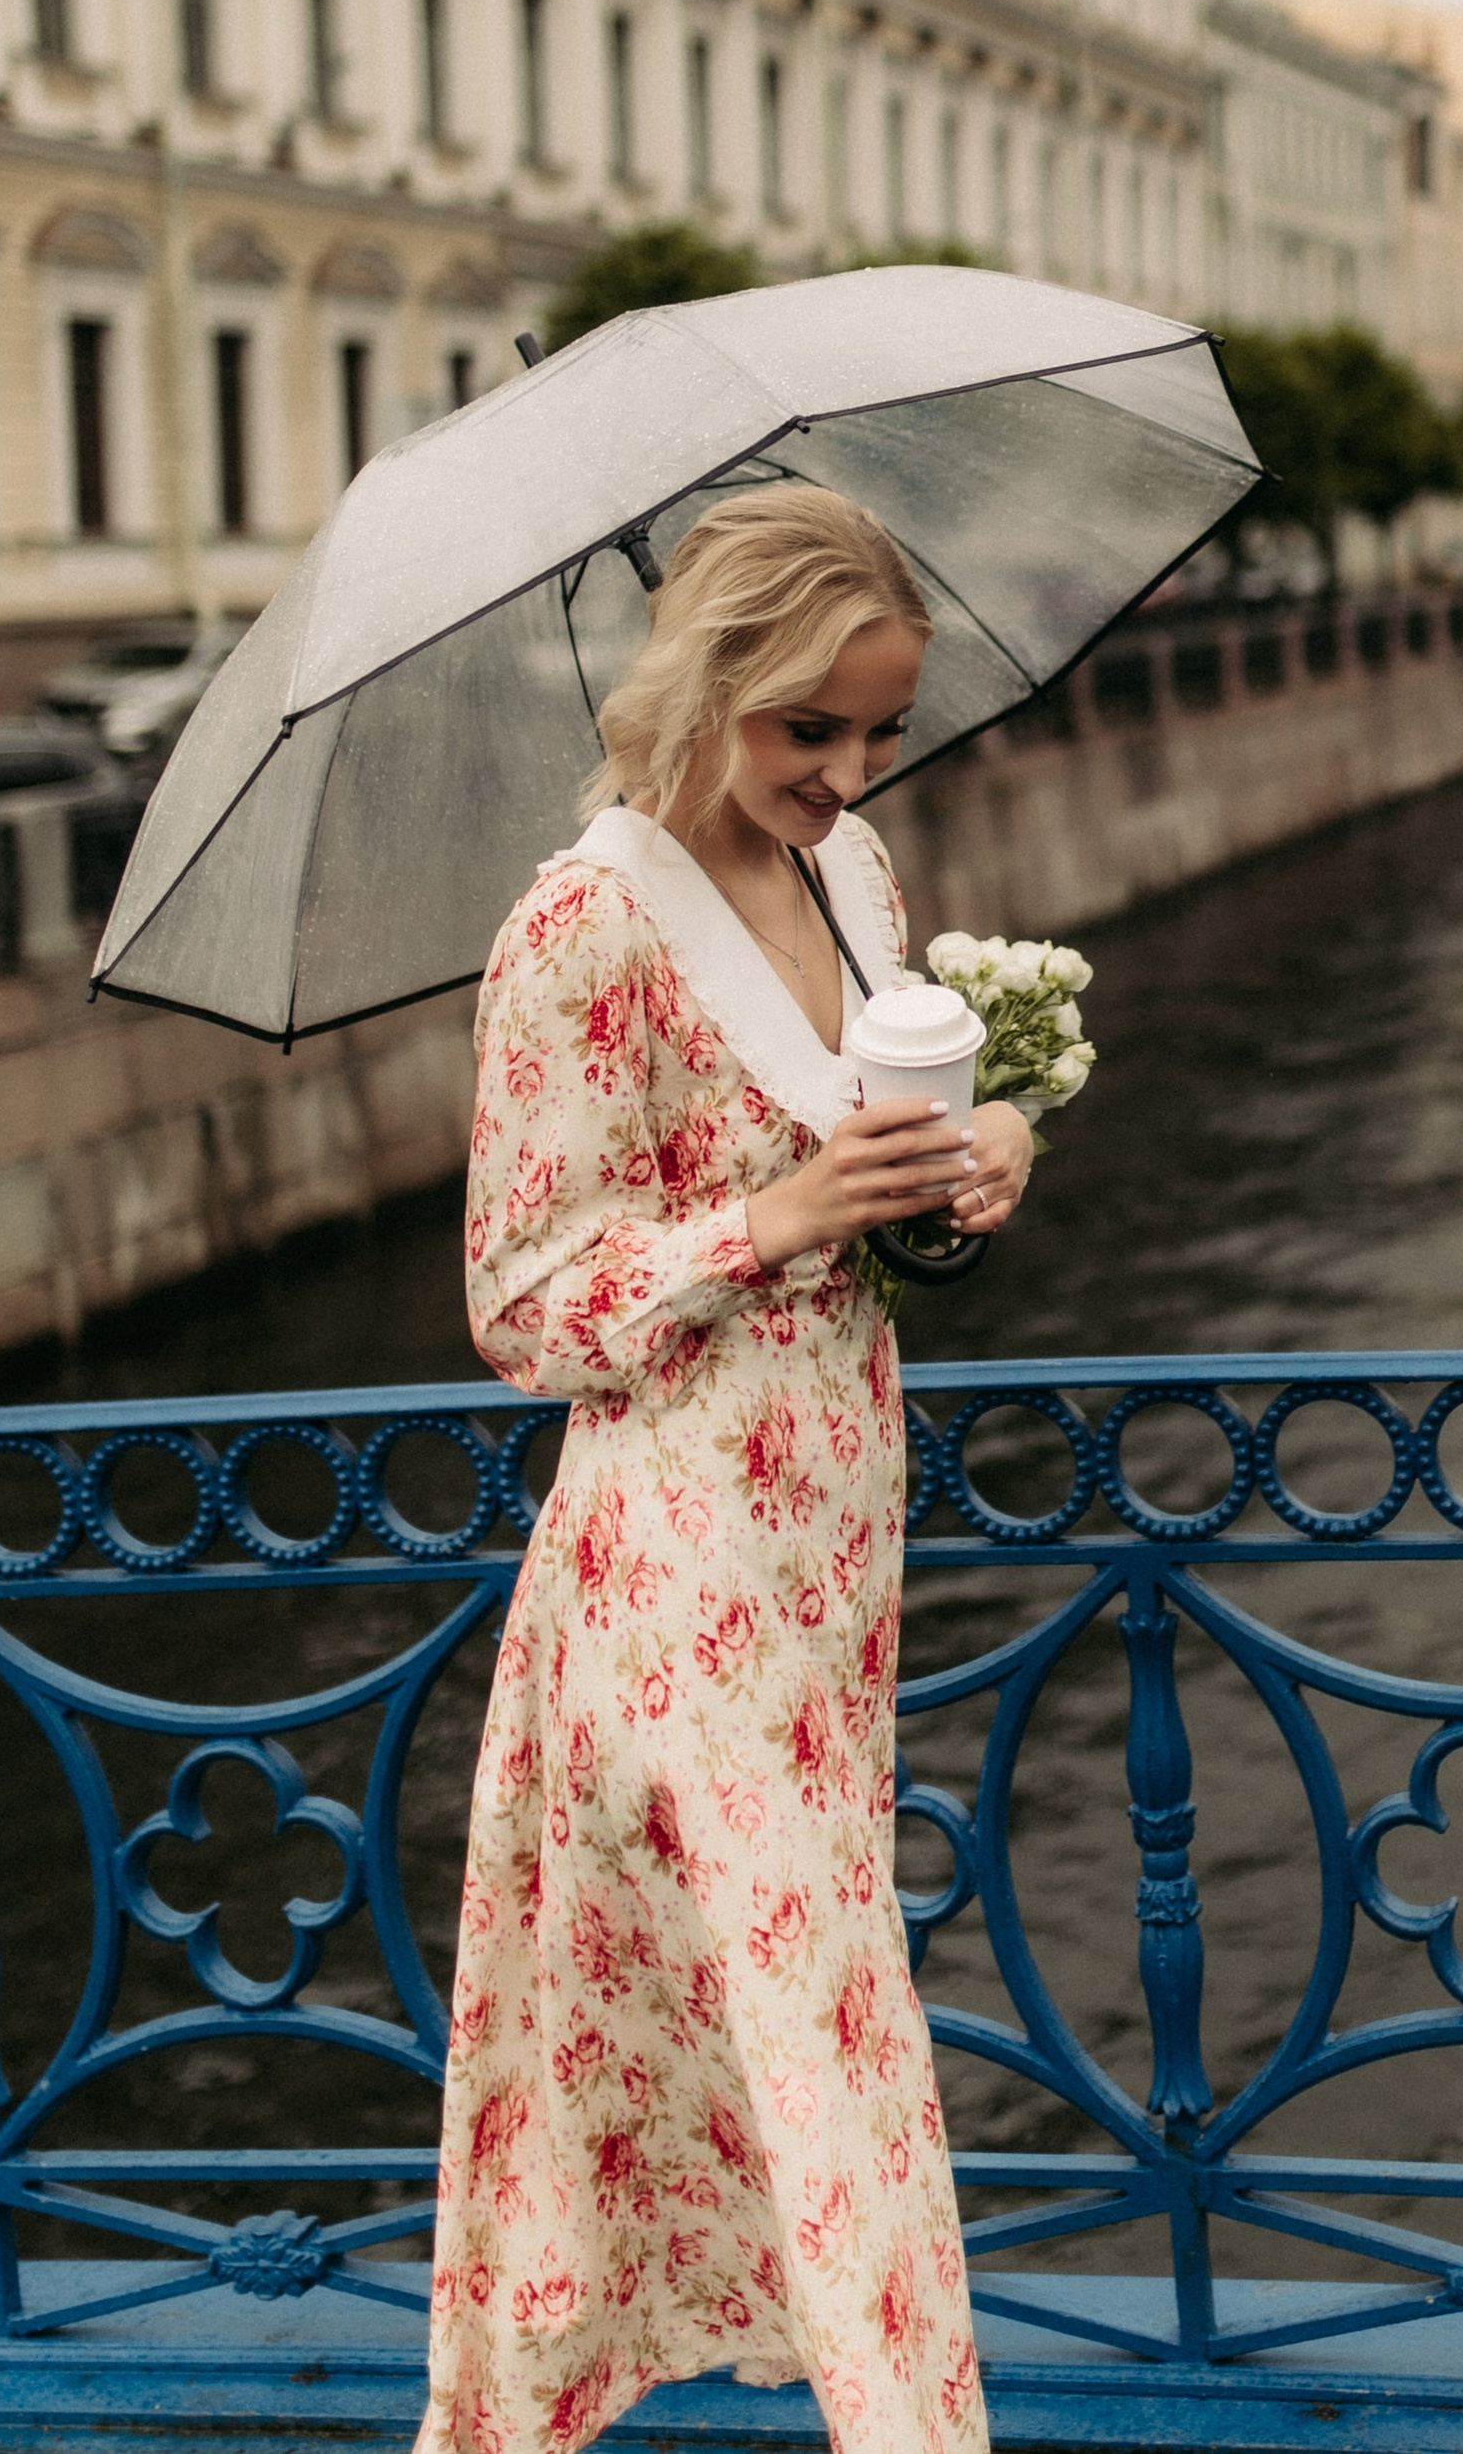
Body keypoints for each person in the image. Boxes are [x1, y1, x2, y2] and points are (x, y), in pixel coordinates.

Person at [416, 484, 1031, 2454]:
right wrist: (764, 1225)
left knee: (703, 2003)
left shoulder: (853, 877)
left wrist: (973, 1158)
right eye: (804, 731)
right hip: (678, 1542)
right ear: (705, 683)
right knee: (825, 2007)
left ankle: (539, 2397)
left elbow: (867, 1171)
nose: (845, 773)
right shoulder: (579, 926)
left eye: (877, 730)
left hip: (832, 1511)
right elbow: (521, 1305)